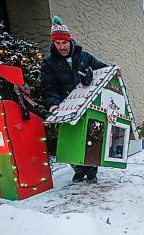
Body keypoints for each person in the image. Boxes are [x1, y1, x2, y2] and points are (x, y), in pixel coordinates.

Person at [40, 16, 108, 184]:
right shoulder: (49, 63)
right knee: (70, 139)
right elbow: (49, 87)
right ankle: (79, 170)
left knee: (92, 137)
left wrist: (114, 71)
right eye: (57, 43)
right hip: (65, 107)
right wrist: (53, 104)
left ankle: (91, 170)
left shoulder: (83, 56)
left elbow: (102, 68)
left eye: (64, 43)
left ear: (70, 41)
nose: (61, 47)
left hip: (87, 105)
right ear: (54, 44)